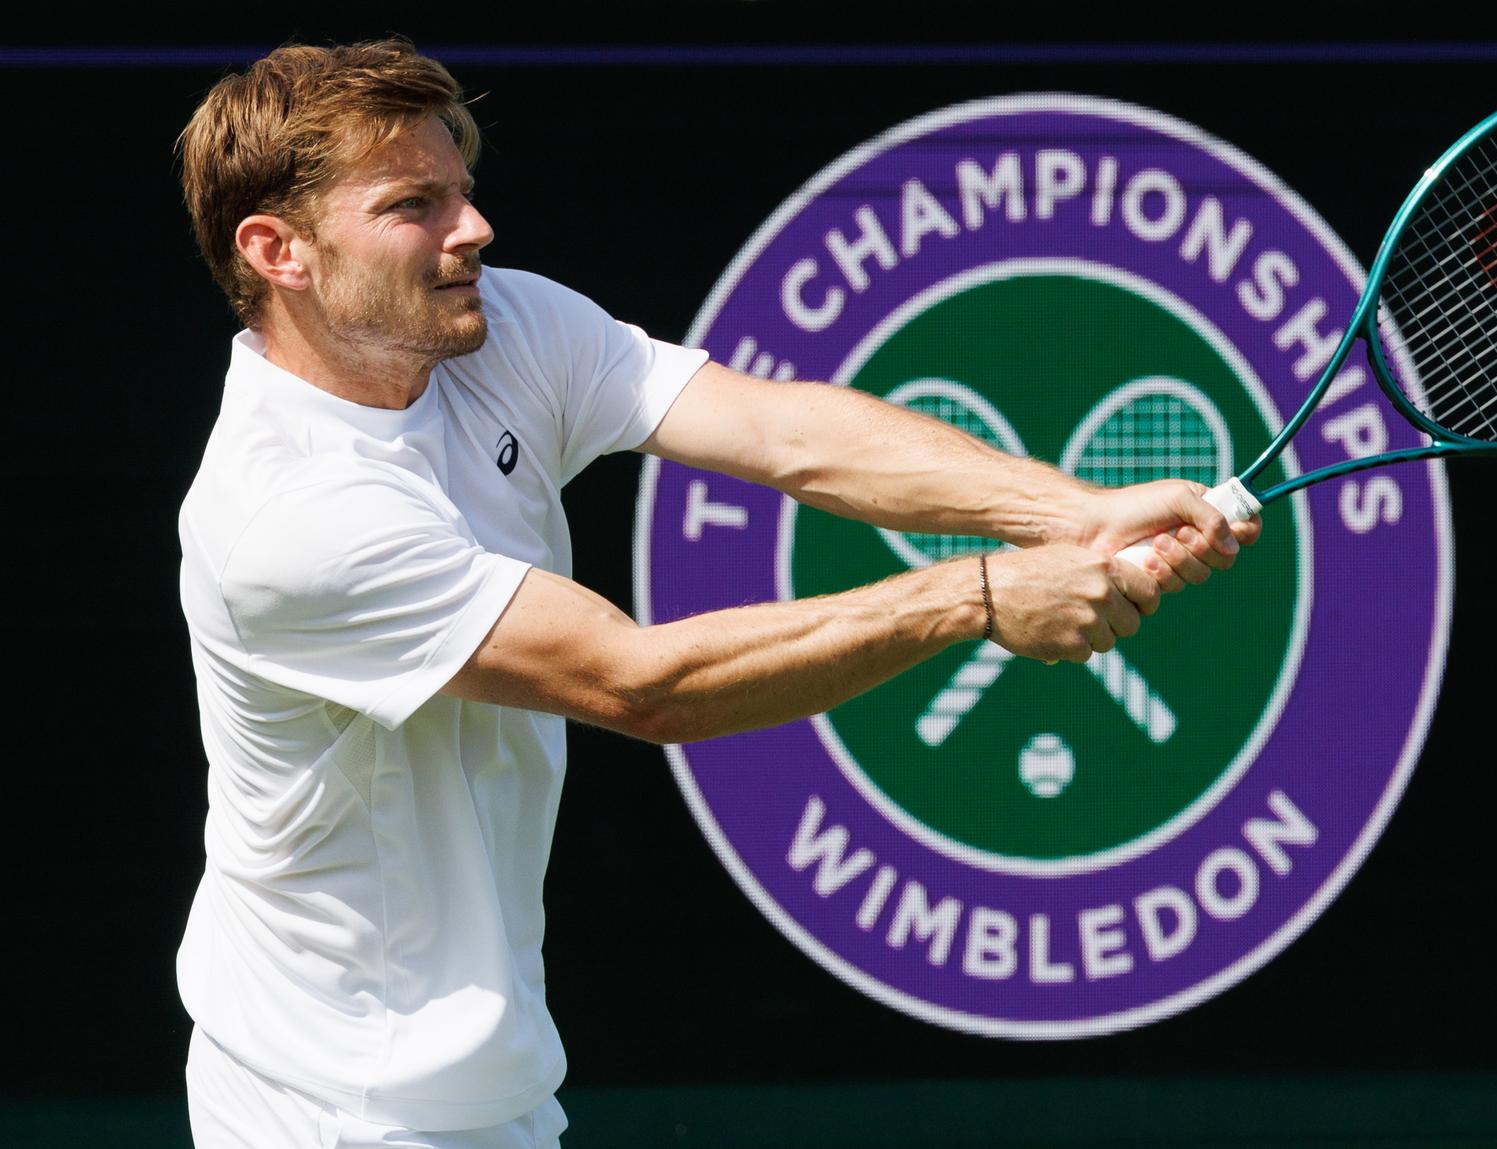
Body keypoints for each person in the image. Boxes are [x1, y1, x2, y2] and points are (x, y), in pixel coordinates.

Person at [173, 39, 1259, 1149]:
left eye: (463, 191)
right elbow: (642, 683)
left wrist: (1070, 513)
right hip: (332, 1110)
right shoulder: (292, 521)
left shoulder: (498, 328)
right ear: (278, 251)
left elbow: (788, 433)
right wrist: (977, 596)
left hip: (485, 1093)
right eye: (414, 205)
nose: (474, 230)